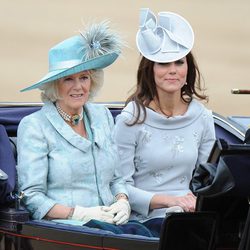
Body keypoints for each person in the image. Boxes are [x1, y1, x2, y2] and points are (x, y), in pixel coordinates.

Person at [16, 21, 131, 226]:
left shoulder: (102, 116)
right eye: (68, 79)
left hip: (114, 225)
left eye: (84, 77)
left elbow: (116, 179)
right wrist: (77, 213)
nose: (78, 87)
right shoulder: (34, 126)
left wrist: (122, 201)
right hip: (68, 231)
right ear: (54, 85)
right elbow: (31, 197)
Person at [113, 8, 216, 222]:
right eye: (163, 63)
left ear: (188, 69)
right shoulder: (130, 119)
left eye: (179, 62)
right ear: (150, 69)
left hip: (191, 217)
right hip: (143, 221)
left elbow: (208, 181)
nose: (173, 70)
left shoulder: (202, 117)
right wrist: (170, 201)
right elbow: (119, 186)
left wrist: (194, 203)